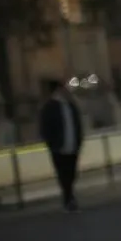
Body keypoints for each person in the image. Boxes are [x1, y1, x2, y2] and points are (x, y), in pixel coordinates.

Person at [38, 79, 84, 212]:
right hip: (59, 147)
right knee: (63, 174)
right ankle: (69, 198)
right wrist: (51, 143)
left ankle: (69, 197)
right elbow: (45, 128)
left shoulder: (71, 105)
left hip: (72, 144)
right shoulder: (49, 107)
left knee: (71, 173)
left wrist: (79, 140)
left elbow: (77, 124)